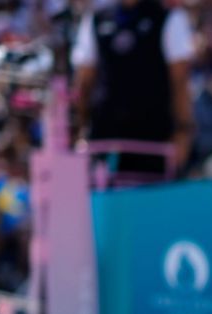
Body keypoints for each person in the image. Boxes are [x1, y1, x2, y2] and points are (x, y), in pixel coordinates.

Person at [71, 0, 195, 180]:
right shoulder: (96, 19)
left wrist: (183, 132)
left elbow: (180, 83)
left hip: (153, 139)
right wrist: (80, 128)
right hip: (105, 138)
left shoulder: (169, 17)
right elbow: (84, 81)